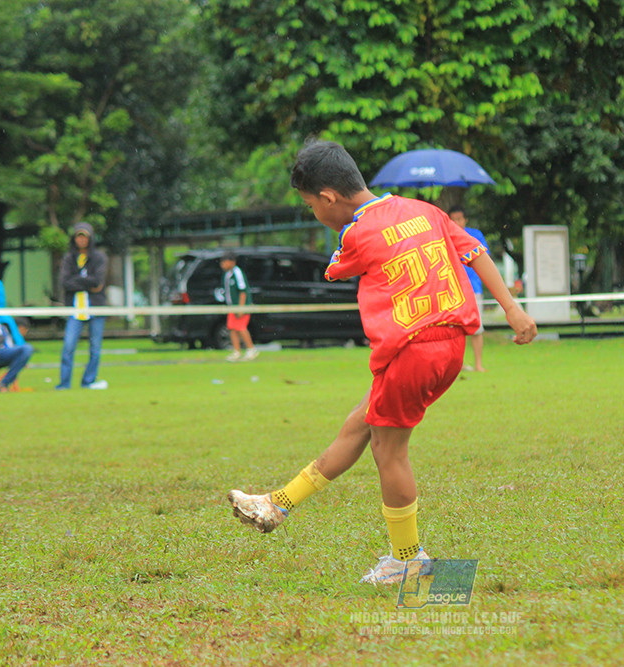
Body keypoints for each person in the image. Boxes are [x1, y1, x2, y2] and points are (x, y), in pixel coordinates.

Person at [227, 139, 538, 585]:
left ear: (329, 197)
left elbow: (337, 268)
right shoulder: (425, 211)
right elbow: (475, 252)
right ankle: (275, 505)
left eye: (311, 204)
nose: (315, 212)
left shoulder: (355, 233)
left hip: (412, 348)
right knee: (361, 423)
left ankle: (408, 559)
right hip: (449, 344)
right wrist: (511, 308)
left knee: (388, 450)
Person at [57, 222, 108, 390]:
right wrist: (86, 282)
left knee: (95, 349)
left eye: (84, 236)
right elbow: (65, 283)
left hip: (95, 307)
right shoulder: (68, 258)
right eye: (78, 236)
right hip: (75, 309)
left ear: (90, 238)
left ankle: (88, 381)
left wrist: (77, 280)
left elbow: (98, 282)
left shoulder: (99, 258)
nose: (81, 240)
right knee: (68, 347)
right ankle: (64, 384)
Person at [448, 206, 489, 372]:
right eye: (453, 219)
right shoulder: (447, 236)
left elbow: (484, 258)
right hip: (453, 288)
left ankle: (478, 363)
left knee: (477, 327)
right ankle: (460, 364)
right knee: (456, 329)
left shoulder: (475, 235)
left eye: (459, 218)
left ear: (465, 220)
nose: (457, 222)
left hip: (473, 288)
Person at [220, 250, 259, 362]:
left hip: (241, 306)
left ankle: (251, 349)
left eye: (224, 262)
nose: (222, 264)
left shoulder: (237, 272)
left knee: (241, 327)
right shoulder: (227, 275)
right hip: (232, 307)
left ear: (232, 262)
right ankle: (236, 351)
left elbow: (242, 291)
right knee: (232, 328)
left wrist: (241, 308)